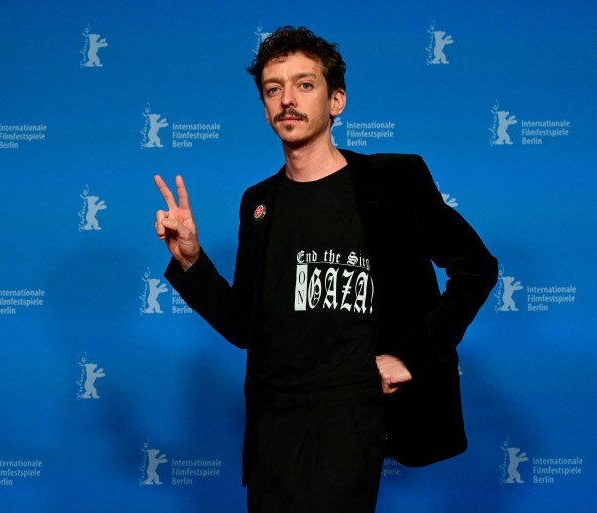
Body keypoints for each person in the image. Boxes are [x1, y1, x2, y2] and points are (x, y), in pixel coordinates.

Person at [154, 26, 497, 513]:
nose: (287, 100)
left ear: (336, 100)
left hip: (350, 411)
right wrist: (190, 260)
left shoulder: (393, 182)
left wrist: (412, 355)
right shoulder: (259, 203)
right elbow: (245, 325)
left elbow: (476, 268)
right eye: (273, 89)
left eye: (304, 85)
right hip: (272, 418)